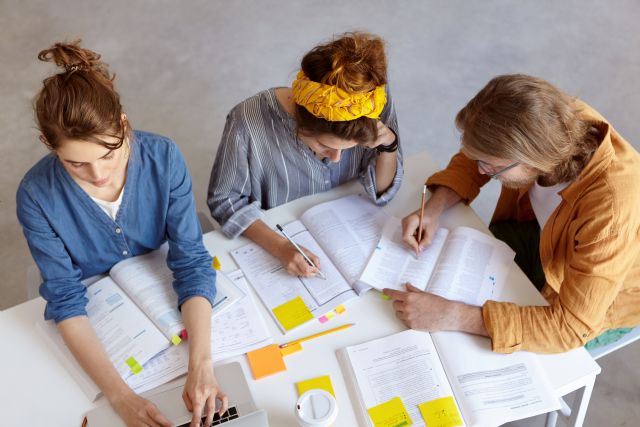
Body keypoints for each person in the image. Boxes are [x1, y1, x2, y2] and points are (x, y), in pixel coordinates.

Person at [16, 41, 226, 427]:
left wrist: (202, 364)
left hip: (159, 288)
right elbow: (64, 298)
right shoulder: (35, 195)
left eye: (110, 154)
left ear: (124, 125)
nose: (98, 175)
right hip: (99, 299)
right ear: (49, 146)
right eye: (76, 164)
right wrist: (120, 397)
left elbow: (192, 260)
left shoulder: (163, 157)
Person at [386, 74, 640, 353]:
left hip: (605, 296)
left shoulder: (610, 212)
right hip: (543, 236)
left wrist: (454, 315)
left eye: (492, 167)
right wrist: (434, 208)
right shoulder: (550, 118)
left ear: (533, 158)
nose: (480, 170)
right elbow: (477, 156)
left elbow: (568, 328)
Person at [207, 32, 403, 277]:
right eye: (324, 146)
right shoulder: (247, 120)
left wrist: (389, 146)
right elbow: (225, 201)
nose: (336, 159)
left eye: (347, 148)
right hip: (279, 234)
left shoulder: (371, 102)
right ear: (299, 122)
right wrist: (280, 247)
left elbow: (382, 192)